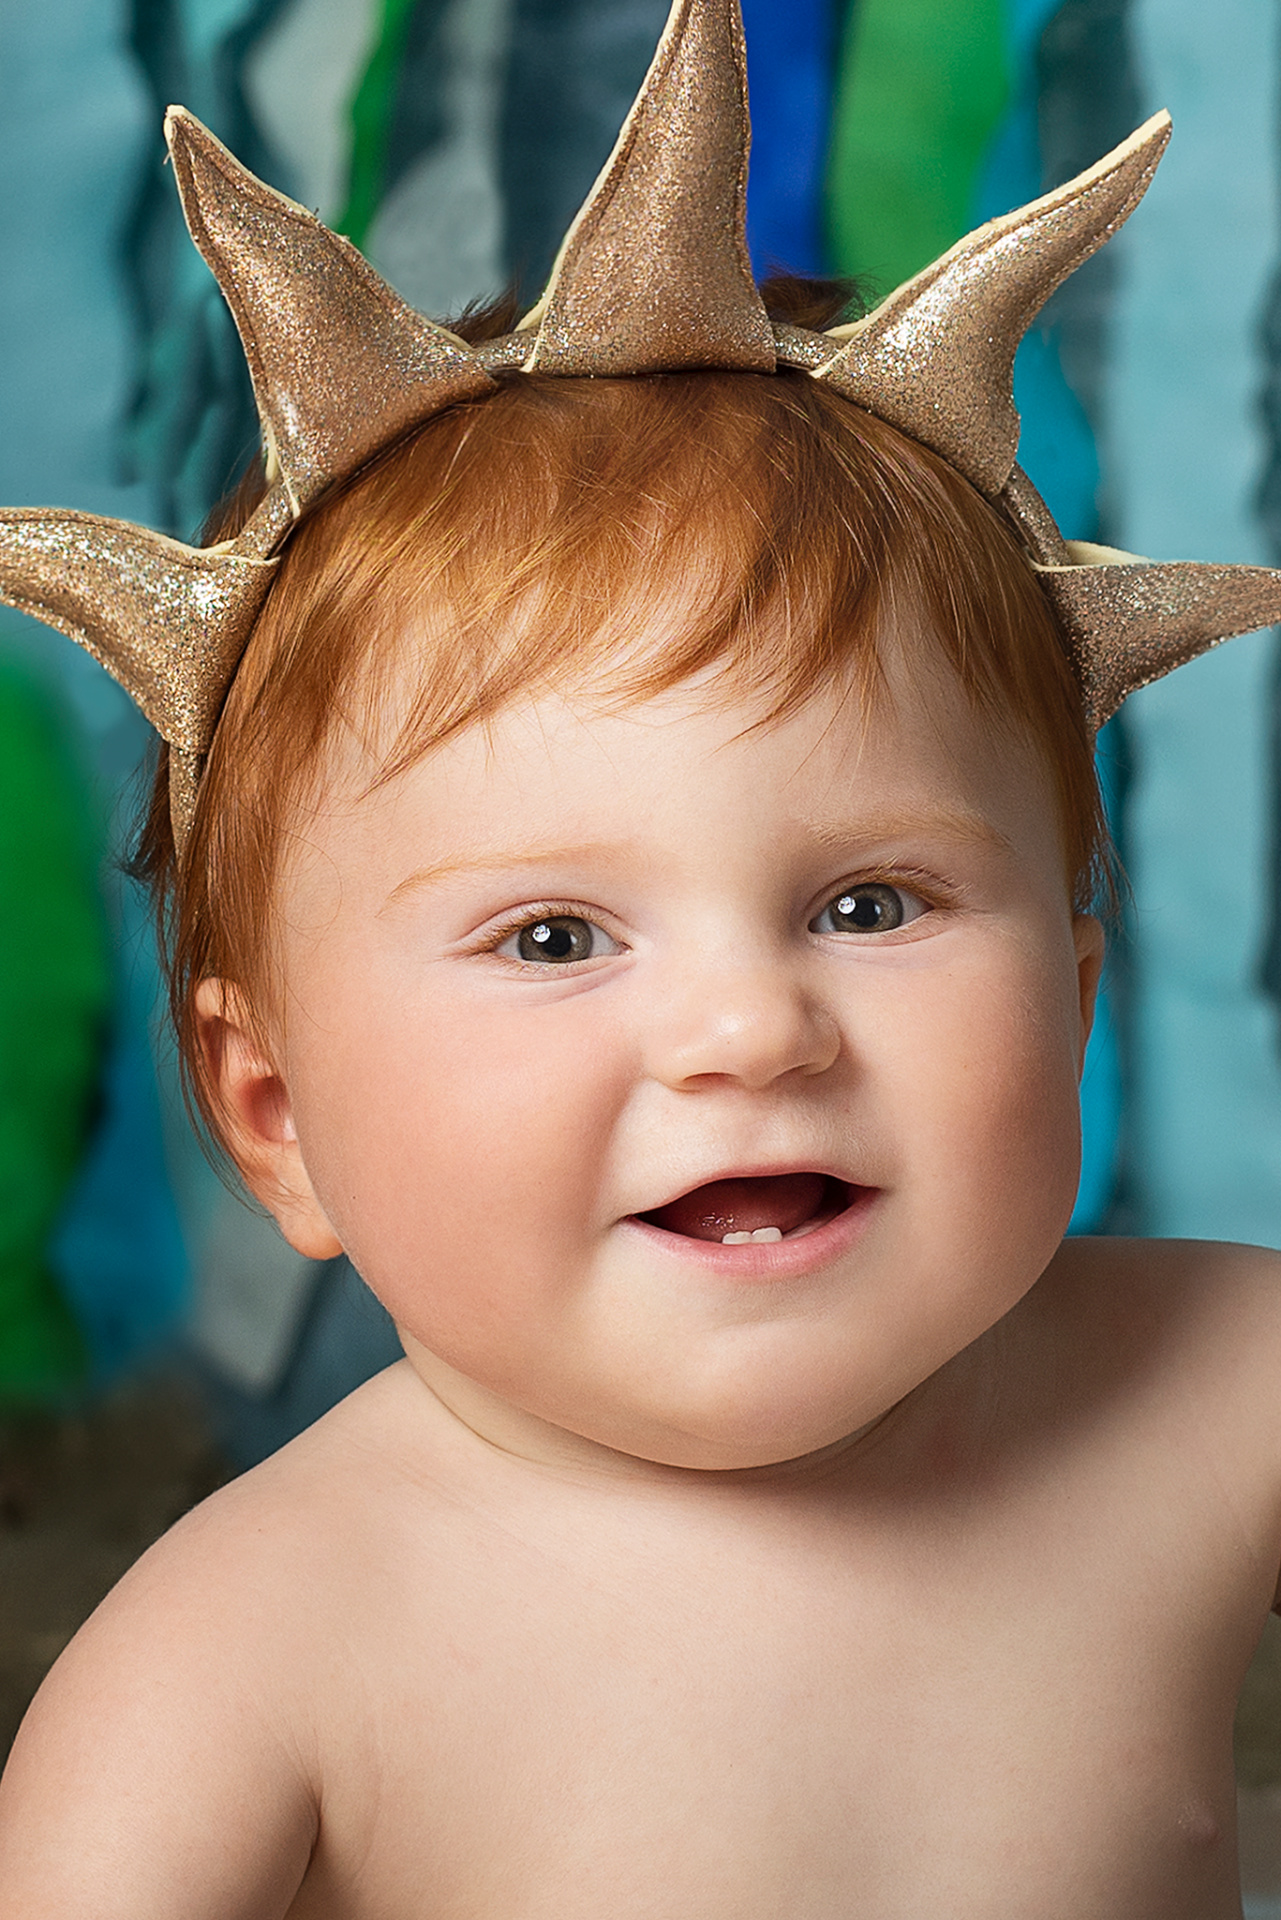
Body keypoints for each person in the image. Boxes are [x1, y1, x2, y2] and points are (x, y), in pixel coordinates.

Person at [2, 2, 1281, 1913]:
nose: (751, 1026)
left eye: (870, 904)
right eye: (552, 934)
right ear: (275, 1117)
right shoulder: (249, 1660)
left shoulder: (1205, 1393)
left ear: (1078, 994)